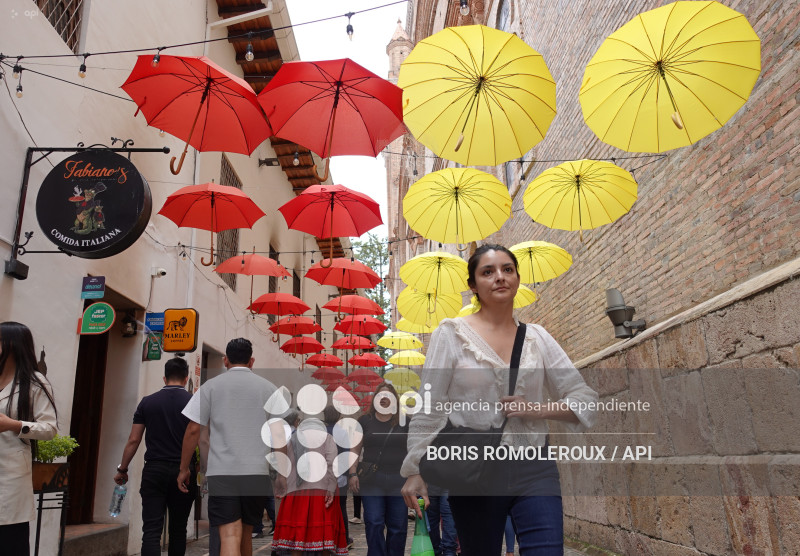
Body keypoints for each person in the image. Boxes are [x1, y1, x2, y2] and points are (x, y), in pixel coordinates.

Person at [400, 244, 599, 556]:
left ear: (518, 278)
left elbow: (584, 398)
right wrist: (415, 469)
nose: (500, 277)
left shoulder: (538, 337)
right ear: (473, 286)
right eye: (488, 272)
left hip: (535, 466)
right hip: (472, 470)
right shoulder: (451, 334)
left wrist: (536, 410)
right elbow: (430, 408)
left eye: (508, 269)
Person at [178, 338, 281, 556]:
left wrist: (184, 468)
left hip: (222, 473)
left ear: (225, 360)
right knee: (246, 534)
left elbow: (193, 431)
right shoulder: (270, 389)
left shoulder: (210, 388)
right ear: (251, 361)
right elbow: (279, 434)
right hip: (256, 473)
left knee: (230, 535)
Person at [113, 357, 196, 556]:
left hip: (154, 470)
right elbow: (200, 439)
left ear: (164, 378)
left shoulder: (147, 402)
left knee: (151, 530)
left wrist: (122, 469)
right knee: (178, 530)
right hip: (184, 471)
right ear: (186, 379)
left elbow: (134, 440)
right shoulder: (194, 402)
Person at [0, 322, 58, 556]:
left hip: (10, 476)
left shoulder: (34, 382)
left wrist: (12, 425)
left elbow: (49, 428)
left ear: (12, 345)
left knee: (9, 540)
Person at [271, 413, 348, 555]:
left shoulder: (293, 439)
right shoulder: (327, 438)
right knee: (325, 538)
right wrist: (331, 488)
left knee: (297, 539)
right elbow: (332, 464)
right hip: (321, 492)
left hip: (296, 492)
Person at [348, 382, 409, 556]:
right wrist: (352, 472)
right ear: (375, 399)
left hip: (399, 480)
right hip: (372, 480)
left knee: (398, 526)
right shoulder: (364, 420)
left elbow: (413, 450)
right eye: (380, 396)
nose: (384, 399)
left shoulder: (405, 421)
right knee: (374, 522)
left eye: (388, 396)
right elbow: (355, 448)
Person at [323, 405, 353, 549]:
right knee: (341, 509)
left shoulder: (320, 431)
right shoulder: (342, 432)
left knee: (324, 509)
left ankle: (325, 538)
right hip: (339, 477)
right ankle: (344, 538)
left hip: (322, 478)